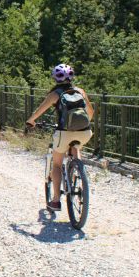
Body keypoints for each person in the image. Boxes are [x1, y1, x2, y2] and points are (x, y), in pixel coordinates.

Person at [25, 63, 94, 212]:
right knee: (76, 146)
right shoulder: (80, 91)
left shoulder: (55, 94)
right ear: (72, 77)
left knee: (56, 164)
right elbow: (91, 113)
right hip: (85, 132)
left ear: (55, 78)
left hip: (64, 132)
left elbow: (39, 111)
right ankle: (79, 171)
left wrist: (31, 121)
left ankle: (56, 200)